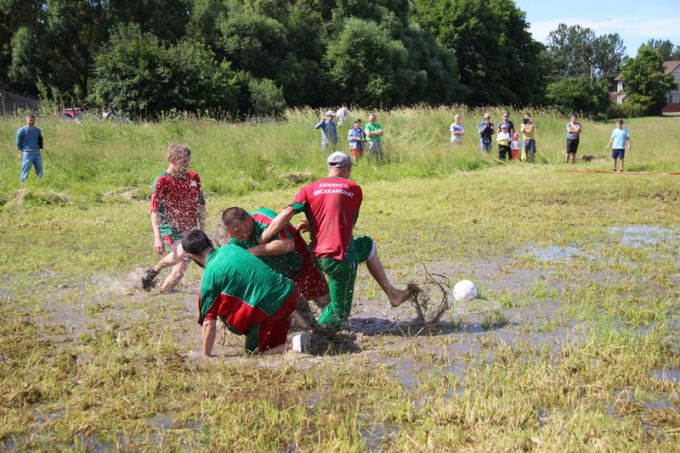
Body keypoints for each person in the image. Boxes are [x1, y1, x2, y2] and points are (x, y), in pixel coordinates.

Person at [259, 151, 415, 332]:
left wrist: (263, 237)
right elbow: (346, 224)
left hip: (316, 254)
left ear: (329, 168)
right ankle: (311, 337)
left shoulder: (309, 189)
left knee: (367, 245)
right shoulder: (353, 189)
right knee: (339, 313)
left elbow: (286, 213)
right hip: (340, 257)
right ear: (348, 169)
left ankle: (392, 294)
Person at [182, 230, 317, 357]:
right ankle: (319, 335)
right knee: (301, 330)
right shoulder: (231, 248)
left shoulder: (209, 275)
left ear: (191, 256)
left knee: (254, 354)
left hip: (271, 306)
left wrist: (205, 356)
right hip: (290, 290)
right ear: (209, 242)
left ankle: (293, 344)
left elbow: (208, 323)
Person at [221, 207, 330, 309]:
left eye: (238, 231)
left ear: (248, 220)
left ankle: (338, 323)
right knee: (293, 308)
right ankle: (312, 327)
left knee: (323, 299)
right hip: (277, 276)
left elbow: (288, 245)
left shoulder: (265, 220)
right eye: (232, 233)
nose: (237, 236)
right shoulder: (233, 237)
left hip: (299, 261)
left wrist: (253, 251)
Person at [141, 144, 205, 293]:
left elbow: (201, 206)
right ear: (172, 160)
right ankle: (157, 268)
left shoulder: (193, 178)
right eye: (183, 162)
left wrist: (202, 230)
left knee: (178, 272)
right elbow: (154, 210)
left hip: (189, 229)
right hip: (170, 228)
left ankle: (160, 291)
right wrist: (158, 238)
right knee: (183, 253)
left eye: (188, 162)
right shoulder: (163, 180)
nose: (187, 165)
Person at [16, 114, 43, 183]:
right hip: (27, 153)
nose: (31, 122)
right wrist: (25, 151)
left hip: (37, 153)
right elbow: (18, 144)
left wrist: (39, 148)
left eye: (33, 121)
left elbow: (40, 141)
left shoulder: (38, 130)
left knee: (40, 170)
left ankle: (39, 184)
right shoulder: (21, 131)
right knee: (25, 170)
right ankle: (22, 185)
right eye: (30, 120)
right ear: (26, 120)